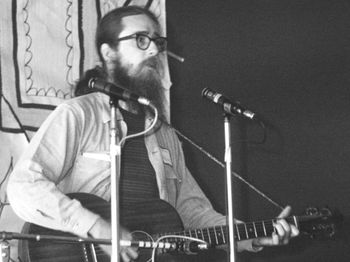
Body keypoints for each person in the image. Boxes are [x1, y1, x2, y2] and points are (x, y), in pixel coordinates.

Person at [7, 6, 299, 262]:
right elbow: (23, 186)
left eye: (157, 42)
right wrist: (96, 227)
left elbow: (192, 212)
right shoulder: (78, 114)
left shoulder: (163, 132)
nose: (153, 51)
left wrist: (250, 237)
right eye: (141, 40)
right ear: (109, 54)